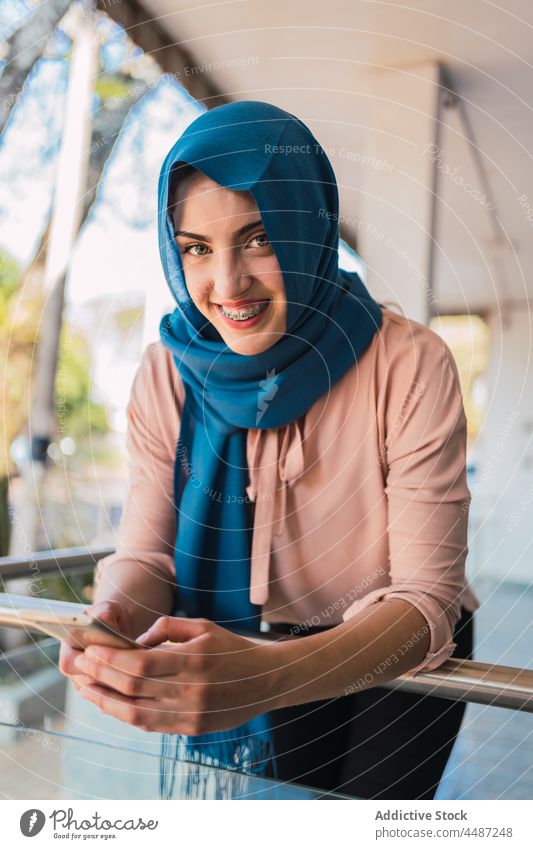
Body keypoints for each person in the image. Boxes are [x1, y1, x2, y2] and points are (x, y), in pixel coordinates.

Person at [59, 100, 480, 800]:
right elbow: (148, 554)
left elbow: (424, 598)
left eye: (257, 238)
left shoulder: (408, 361)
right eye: (195, 247)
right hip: (263, 637)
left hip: (404, 645)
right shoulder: (167, 370)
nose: (226, 286)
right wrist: (114, 617)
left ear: (306, 226)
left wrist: (265, 674)